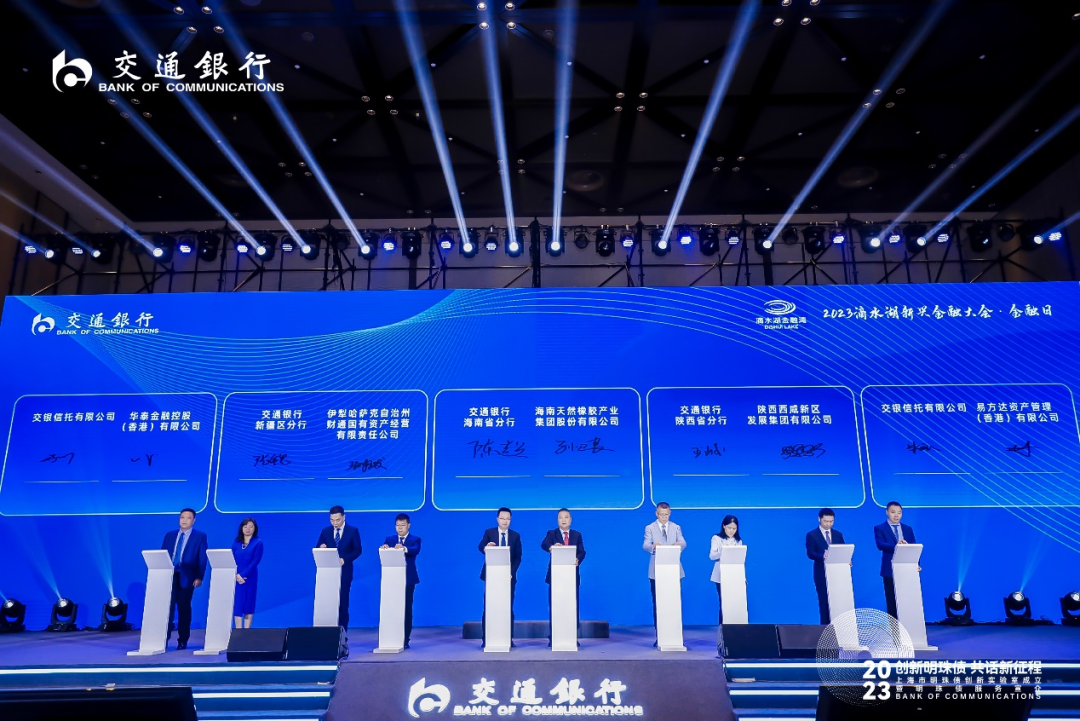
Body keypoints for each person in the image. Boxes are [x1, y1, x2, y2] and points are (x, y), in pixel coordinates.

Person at [160, 508, 207, 650]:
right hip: (169, 576)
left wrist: (199, 576)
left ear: (194, 520)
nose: (184, 520)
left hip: (187, 577)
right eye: (182, 517)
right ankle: (163, 639)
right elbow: (162, 554)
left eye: (188, 518)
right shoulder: (170, 535)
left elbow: (202, 558)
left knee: (183, 608)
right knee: (166, 609)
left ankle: (182, 639)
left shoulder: (199, 536)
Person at [643, 502, 686, 646]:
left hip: (674, 570)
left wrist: (679, 545)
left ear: (670, 513)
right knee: (658, 603)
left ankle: (675, 636)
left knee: (674, 603)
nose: (664, 517)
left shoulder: (676, 527)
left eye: (666, 514)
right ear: (657, 514)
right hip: (657, 571)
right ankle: (660, 636)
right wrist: (653, 547)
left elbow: (683, 542)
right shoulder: (650, 528)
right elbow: (645, 545)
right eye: (661, 515)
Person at [541, 508, 586, 645]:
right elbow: (544, 544)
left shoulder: (577, 535)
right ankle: (554, 636)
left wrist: (578, 559)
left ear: (570, 520)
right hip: (556, 577)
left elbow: (582, 552)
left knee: (572, 607)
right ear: (557, 520)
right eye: (561, 517)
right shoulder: (552, 533)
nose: (564, 520)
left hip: (571, 576)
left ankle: (572, 636)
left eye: (566, 517)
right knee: (555, 607)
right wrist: (552, 547)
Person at [479, 507, 522, 648]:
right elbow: (480, 546)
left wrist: (511, 572)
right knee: (489, 608)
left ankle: (508, 638)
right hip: (492, 577)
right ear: (497, 519)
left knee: (508, 608)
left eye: (508, 519)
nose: (505, 521)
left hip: (509, 578)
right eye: (502, 518)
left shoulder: (515, 536)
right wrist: (487, 547)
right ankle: (486, 639)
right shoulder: (489, 533)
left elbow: (518, 558)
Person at [316, 505, 362, 630]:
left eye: (337, 520)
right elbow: (318, 547)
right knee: (328, 602)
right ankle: (328, 631)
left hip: (344, 573)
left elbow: (358, 550)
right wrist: (321, 548)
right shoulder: (325, 531)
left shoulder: (352, 531)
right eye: (332, 520)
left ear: (343, 517)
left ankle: (342, 632)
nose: (335, 523)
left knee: (342, 603)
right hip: (328, 574)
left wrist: (345, 559)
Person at [381, 513, 421, 648]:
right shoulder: (389, 539)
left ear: (408, 525)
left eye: (403, 525)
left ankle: (405, 639)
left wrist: (404, 548)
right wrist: (384, 548)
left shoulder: (415, 539)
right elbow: (383, 552)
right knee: (392, 608)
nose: (400, 528)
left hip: (408, 579)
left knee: (406, 609)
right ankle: (391, 637)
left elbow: (415, 550)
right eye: (398, 525)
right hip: (391, 580)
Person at [874, 501, 918, 618]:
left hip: (907, 569)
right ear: (887, 512)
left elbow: (914, 547)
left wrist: (916, 563)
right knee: (892, 601)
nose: (896, 515)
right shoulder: (880, 528)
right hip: (889, 569)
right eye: (893, 512)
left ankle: (907, 624)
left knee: (907, 599)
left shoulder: (907, 529)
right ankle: (894, 627)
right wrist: (897, 546)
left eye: (899, 513)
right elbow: (880, 544)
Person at [805, 508, 847, 624]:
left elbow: (842, 550)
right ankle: (825, 628)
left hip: (837, 573)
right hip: (821, 573)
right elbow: (810, 553)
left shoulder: (838, 534)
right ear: (819, 519)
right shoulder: (812, 535)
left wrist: (846, 560)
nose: (828, 524)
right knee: (824, 602)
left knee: (838, 601)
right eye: (826, 521)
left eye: (831, 521)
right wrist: (823, 556)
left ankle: (839, 626)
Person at [709, 514, 743, 625]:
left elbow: (740, 559)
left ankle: (734, 628)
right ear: (724, 526)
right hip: (721, 575)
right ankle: (723, 629)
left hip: (735, 575)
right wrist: (724, 552)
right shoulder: (716, 538)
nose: (731, 531)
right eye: (729, 528)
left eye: (734, 528)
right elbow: (712, 556)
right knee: (724, 603)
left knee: (734, 603)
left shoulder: (738, 541)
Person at [232, 517, 264, 629]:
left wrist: (243, 575)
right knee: (238, 604)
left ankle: (246, 632)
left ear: (255, 529)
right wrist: (237, 575)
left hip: (250, 577)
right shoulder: (236, 543)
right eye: (245, 526)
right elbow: (231, 559)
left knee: (248, 604)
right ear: (241, 528)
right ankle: (238, 631)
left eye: (251, 526)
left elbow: (256, 561)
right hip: (236, 578)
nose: (248, 529)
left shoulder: (258, 543)